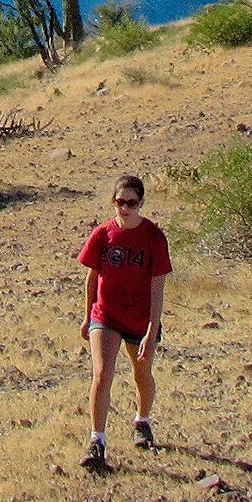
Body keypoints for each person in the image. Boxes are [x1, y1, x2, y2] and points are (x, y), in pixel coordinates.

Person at [78, 174, 171, 472]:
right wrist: (86, 316)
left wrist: (152, 328)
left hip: (140, 319)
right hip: (105, 315)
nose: (125, 208)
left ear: (141, 203)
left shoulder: (154, 237)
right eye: (120, 202)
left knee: (141, 373)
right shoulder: (103, 234)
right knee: (103, 373)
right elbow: (91, 276)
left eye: (131, 202)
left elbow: (158, 285)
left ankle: (142, 420)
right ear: (113, 202)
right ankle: (97, 442)